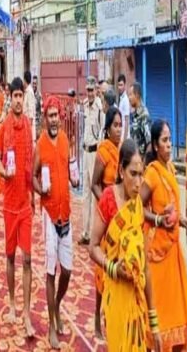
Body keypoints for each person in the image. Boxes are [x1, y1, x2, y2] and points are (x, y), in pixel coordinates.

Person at [88, 139, 163, 352]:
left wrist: (154, 322)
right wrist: (113, 268)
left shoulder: (138, 205)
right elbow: (93, 247)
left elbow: (145, 265)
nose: (139, 182)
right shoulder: (109, 200)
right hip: (116, 295)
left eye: (141, 174)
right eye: (133, 174)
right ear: (121, 171)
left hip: (135, 295)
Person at [140, 120, 187, 350]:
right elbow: (137, 208)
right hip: (157, 255)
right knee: (160, 315)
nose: (170, 145)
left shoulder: (170, 169)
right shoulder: (151, 174)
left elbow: (170, 206)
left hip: (172, 253)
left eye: (170, 140)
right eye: (164, 140)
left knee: (177, 312)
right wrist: (158, 220)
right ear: (154, 145)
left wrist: (180, 220)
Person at [32, 96, 79, 349]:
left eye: (55, 115)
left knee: (68, 271)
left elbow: (72, 170)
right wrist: (42, 191)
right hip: (49, 215)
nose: (53, 119)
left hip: (67, 213)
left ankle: (57, 305)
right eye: (49, 115)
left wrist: (74, 179)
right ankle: (51, 324)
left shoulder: (64, 141)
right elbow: (33, 178)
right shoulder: (40, 145)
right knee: (50, 271)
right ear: (45, 118)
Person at [0, 77, 36, 339]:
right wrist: (3, 173)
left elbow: (33, 163)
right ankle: (11, 303)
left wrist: (38, 193)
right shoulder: (3, 129)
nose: (19, 100)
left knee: (28, 258)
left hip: (26, 205)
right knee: (10, 257)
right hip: (9, 204)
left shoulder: (30, 128)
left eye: (22, 95)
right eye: (16, 95)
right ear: (10, 97)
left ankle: (26, 312)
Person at [90, 105, 123, 341]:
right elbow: (94, 184)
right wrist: (108, 205)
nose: (119, 130)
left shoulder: (122, 152)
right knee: (103, 270)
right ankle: (96, 320)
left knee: (118, 268)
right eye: (115, 125)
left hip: (120, 219)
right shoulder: (104, 151)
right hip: (106, 216)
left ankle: (113, 318)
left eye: (121, 125)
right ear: (108, 127)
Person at [79, 76, 104, 246]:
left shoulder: (99, 108)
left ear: (96, 90)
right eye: (87, 90)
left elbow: (101, 132)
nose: (89, 93)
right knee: (85, 194)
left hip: (95, 153)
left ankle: (95, 233)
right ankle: (85, 232)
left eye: (91, 89)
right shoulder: (84, 107)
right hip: (85, 151)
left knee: (95, 194)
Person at [128, 82, 151, 158]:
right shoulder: (135, 114)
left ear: (137, 95)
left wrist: (143, 164)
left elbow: (149, 143)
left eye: (130, 94)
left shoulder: (144, 115)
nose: (129, 98)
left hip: (141, 162)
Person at [24, 71, 37, 142]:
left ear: (24, 80)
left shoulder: (29, 92)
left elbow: (31, 111)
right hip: (27, 123)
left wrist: (29, 127)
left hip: (29, 124)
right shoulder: (27, 91)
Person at [118, 74, 131, 140]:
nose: (119, 87)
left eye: (121, 85)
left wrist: (125, 139)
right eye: (118, 85)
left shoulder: (125, 100)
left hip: (124, 137)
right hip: (121, 135)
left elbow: (126, 120)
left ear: (125, 85)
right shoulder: (121, 99)